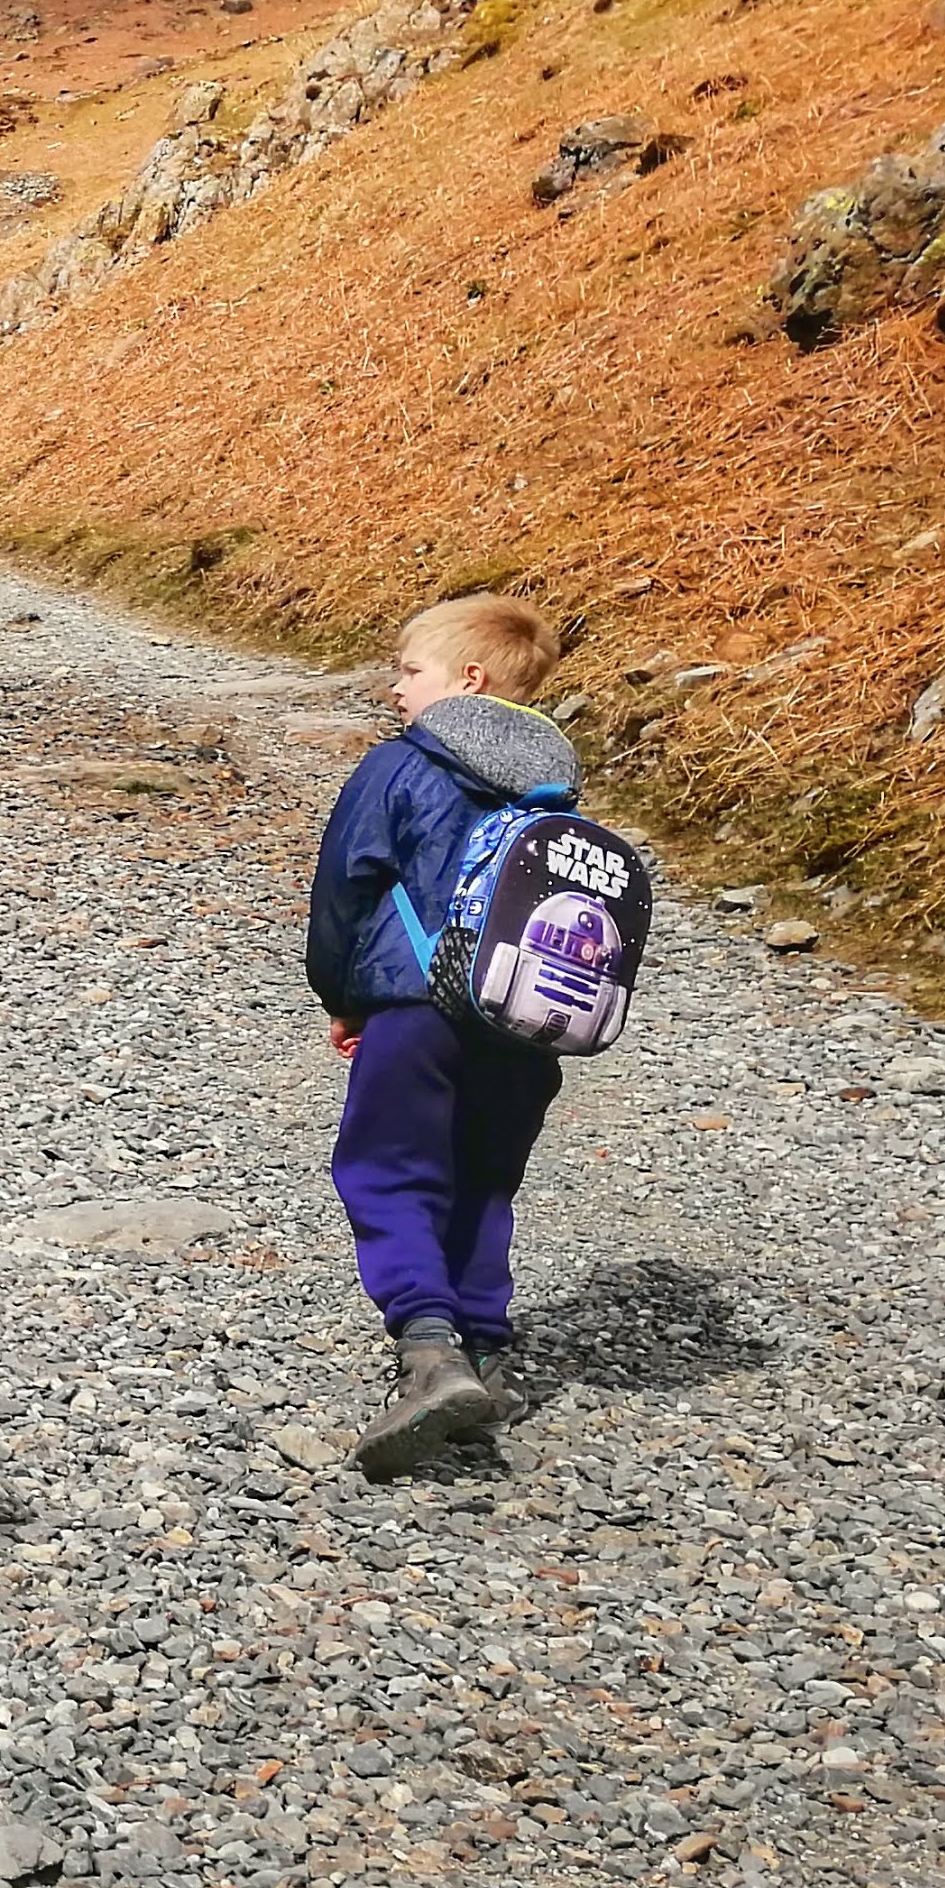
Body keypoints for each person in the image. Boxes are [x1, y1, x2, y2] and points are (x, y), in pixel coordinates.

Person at [303, 591, 576, 1477]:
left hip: (416, 1009)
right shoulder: (557, 785)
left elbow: (346, 887)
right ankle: (484, 1349)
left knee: (390, 1170)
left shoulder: (400, 765)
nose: (395, 688)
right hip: (522, 1024)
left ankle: (429, 1351)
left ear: (469, 680)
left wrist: (342, 995)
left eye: (410, 670)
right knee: (483, 1177)